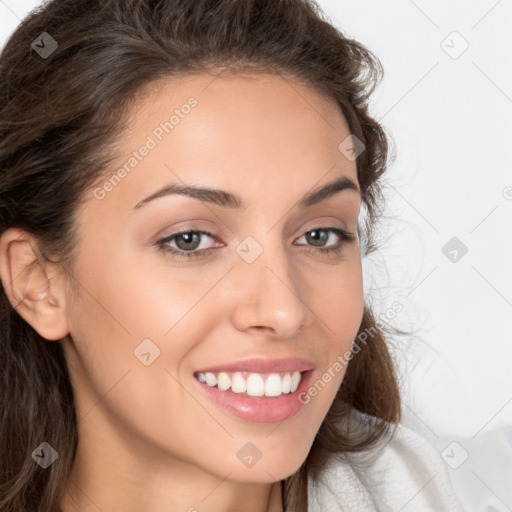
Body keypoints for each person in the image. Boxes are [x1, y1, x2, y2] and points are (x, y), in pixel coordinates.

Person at [0, 0, 465, 510]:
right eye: (190, 239)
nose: (284, 311)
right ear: (38, 282)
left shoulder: (417, 488)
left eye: (319, 235)